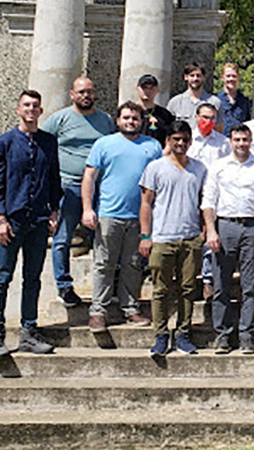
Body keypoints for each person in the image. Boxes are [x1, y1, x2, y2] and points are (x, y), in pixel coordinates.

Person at [0, 89, 61, 360]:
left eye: (36, 106)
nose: (31, 109)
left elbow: (54, 178)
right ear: (18, 109)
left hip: (39, 221)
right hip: (12, 220)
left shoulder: (48, 142)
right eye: (26, 105)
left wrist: (54, 210)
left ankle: (29, 331)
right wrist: (0, 218)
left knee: (33, 277)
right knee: (2, 276)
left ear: (41, 112)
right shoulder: (3, 143)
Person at [82, 101, 162, 333]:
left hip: (140, 218)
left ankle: (130, 308)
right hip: (109, 215)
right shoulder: (103, 144)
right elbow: (89, 178)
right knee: (103, 265)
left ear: (141, 121)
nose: (130, 121)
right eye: (126, 118)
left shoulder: (153, 146)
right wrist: (88, 209)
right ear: (117, 121)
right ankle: (98, 312)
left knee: (133, 264)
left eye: (135, 118)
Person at [202, 124, 254, 355]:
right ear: (231, 141)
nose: (241, 144)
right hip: (225, 225)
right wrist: (211, 230)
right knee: (221, 284)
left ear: (251, 140)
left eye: (245, 139)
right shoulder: (219, 167)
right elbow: (208, 201)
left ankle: (247, 335)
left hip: (253, 226)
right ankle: (223, 335)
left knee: (250, 284)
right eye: (237, 140)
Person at [41, 77, 114, 308]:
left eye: (90, 91)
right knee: (63, 238)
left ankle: (105, 288)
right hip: (68, 187)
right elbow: (42, 145)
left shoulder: (106, 120)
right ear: (72, 94)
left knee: (103, 239)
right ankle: (64, 287)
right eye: (81, 91)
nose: (86, 95)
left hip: (100, 188)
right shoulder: (60, 119)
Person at [139, 121, 206, 356]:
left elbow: (203, 201)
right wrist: (146, 235)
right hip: (162, 237)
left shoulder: (199, 169)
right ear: (168, 140)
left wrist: (204, 229)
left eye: (185, 139)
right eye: (176, 139)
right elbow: (146, 203)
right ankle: (160, 334)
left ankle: (183, 332)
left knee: (188, 288)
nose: (181, 144)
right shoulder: (156, 168)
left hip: (189, 237)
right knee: (160, 289)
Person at [186, 102, 231, 299]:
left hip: (214, 197)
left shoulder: (223, 143)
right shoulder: (188, 141)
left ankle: (208, 279)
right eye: (204, 117)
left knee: (210, 237)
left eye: (212, 118)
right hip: (189, 195)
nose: (207, 122)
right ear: (196, 117)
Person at [166, 62, 223, 133]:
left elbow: (219, 130)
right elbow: (168, 128)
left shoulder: (214, 102)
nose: (195, 79)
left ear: (204, 77)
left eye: (198, 75)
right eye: (192, 75)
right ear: (185, 77)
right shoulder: (175, 102)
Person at [136, 74, 175, 147]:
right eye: (144, 88)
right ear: (137, 89)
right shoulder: (129, 112)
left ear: (157, 90)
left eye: (151, 88)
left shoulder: (164, 115)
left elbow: (170, 137)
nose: (148, 91)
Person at [217, 62, 252, 136]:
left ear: (238, 77)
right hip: (221, 142)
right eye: (228, 76)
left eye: (234, 76)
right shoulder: (216, 100)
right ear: (222, 78)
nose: (231, 79)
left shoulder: (245, 102)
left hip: (239, 142)